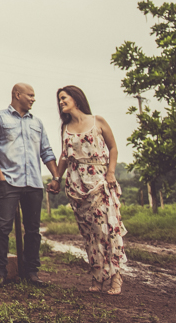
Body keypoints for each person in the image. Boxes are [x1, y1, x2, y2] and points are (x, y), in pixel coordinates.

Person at [48, 85, 126, 295]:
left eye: (64, 98)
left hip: (100, 182)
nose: (61, 102)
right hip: (77, 186)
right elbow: (64, 156)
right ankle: (98, 277)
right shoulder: (65, 128)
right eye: (60, 100)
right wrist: (57, 178)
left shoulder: (97, 121)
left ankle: (115, 277)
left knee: (107, 230)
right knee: (90, 234)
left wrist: (110, 172)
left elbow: (113, 147)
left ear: (76, 98)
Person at [0, 83, 61, 286]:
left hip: (33, 183)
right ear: (18, 95)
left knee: (33, 230)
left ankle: (31, 273)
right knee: (3, 228)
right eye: (30, 95)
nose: (34, 99)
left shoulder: (37, 123)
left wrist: (56, 176)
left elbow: (46, 151)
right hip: (8, 181)